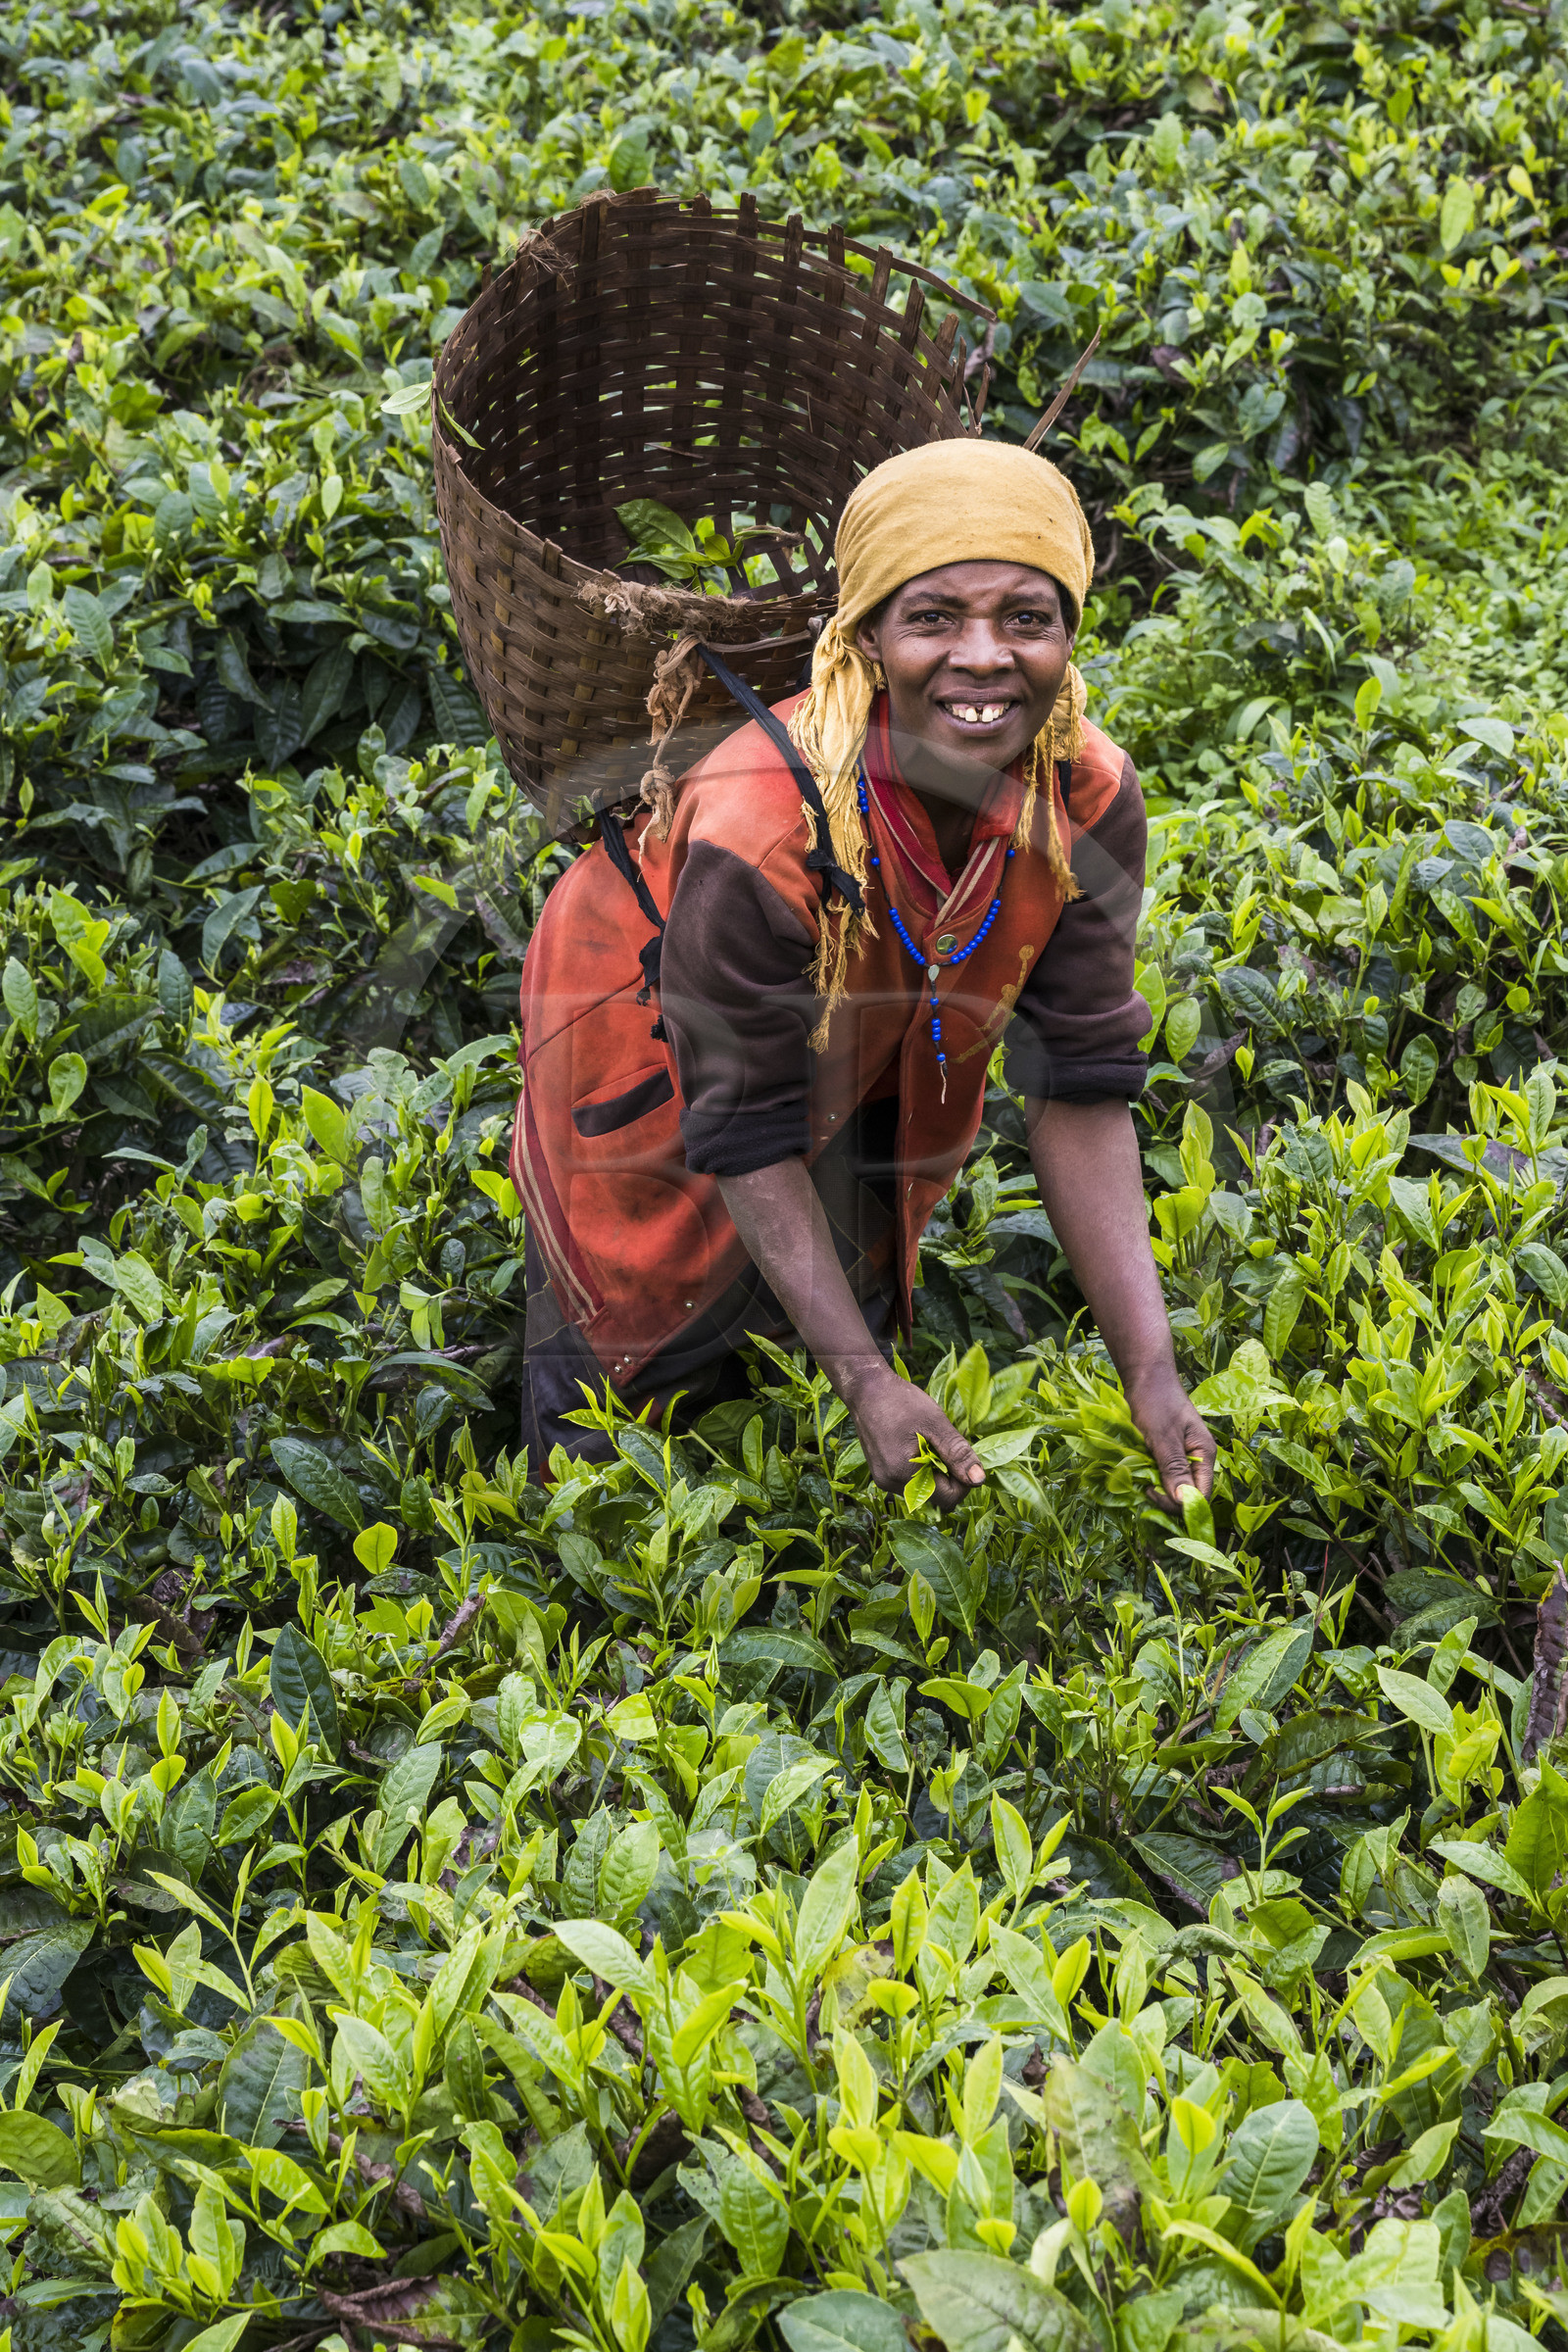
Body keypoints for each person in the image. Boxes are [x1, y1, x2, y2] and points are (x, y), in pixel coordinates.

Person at [512, 435, 1215, 1510]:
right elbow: (741, 1126)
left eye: (1025, 617)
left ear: (1071, 633)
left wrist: (1151, 1373)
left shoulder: (1083, 798)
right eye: (932, 617)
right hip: (632, 1026)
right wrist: (862, 1383)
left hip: (868, 1039)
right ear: (870, 638)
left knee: (849, 1270)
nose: (982, 657)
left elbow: (1078, 1080)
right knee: (631, 1334)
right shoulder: (764, 818)